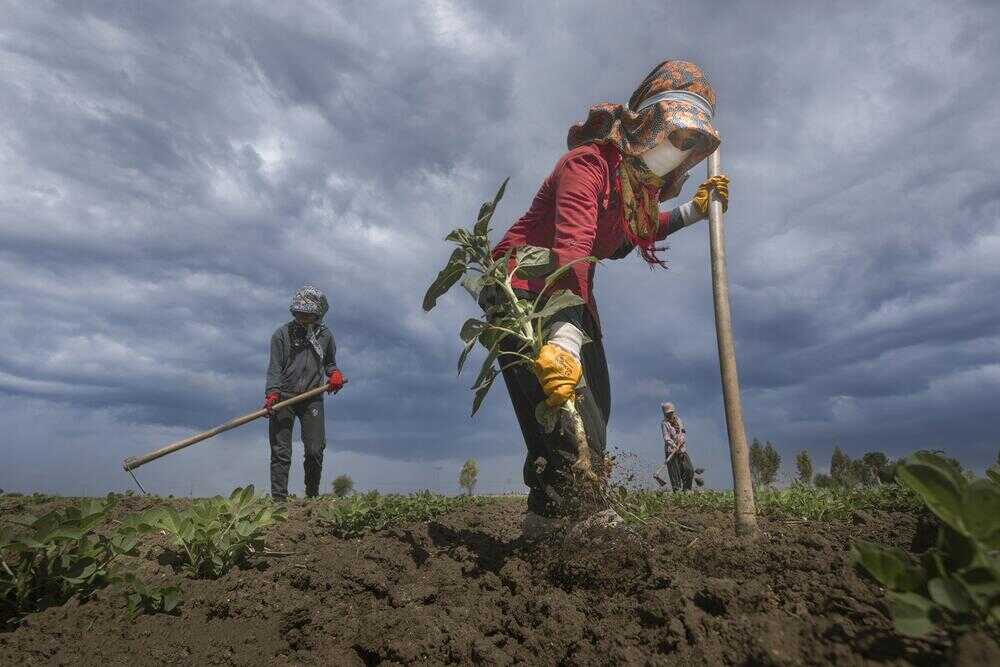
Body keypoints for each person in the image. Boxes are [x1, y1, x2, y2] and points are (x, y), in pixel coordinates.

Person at [488, 60, 728, 524]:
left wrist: (692, 214)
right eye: (677, 137)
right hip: (521, 289)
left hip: (573, 294)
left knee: (597, 399)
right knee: (562, 405)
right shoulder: (588, 165)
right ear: (648, 126)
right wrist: (562, 338)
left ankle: (545, 521)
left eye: (690, 145)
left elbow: (627, 236)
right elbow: (572, 248)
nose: (680, 151)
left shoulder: (631, 192)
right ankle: (584, 520)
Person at [263, 286, 346, 501]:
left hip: (312, 398)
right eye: (299, 313)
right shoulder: (281, 335)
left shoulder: (325, 336)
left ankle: (312, 498)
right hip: (284, 397)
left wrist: (334, 374)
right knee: (281, 452)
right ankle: (279, 501)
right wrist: (272, 393)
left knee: (315, 450)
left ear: (317, 314)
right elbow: (274, 368)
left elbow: (329, 363)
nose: (303, 317)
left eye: (308, 314)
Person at [659, 402, 697, 491]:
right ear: (665, 414)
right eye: (668, 413)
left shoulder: (679, 420)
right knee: (674, 473)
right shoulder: (664, 423)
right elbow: (666, 437)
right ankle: (677, 492)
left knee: (689, 469)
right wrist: (674, 445)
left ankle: (687, 489)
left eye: (671, 412)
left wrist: (681, 440)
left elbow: (683, 431)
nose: (670, 415)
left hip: (682, 449)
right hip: (671, 450)